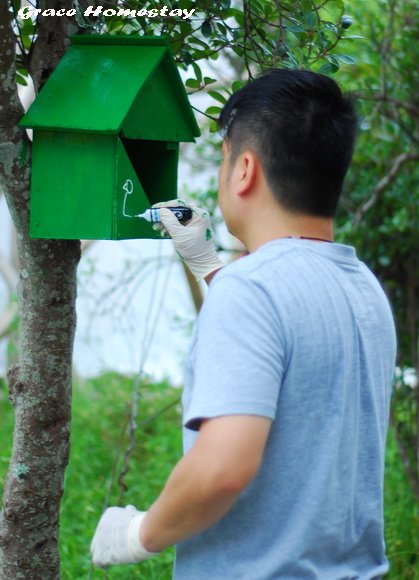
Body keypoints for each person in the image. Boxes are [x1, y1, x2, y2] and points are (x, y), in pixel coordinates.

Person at [90, 69, 397, 579]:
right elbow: (293, 325)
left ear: (245, 169)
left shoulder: (251, 291)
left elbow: (222, 470)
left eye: (225, 156)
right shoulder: (361, 285)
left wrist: (138, 534)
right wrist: (208, 265)